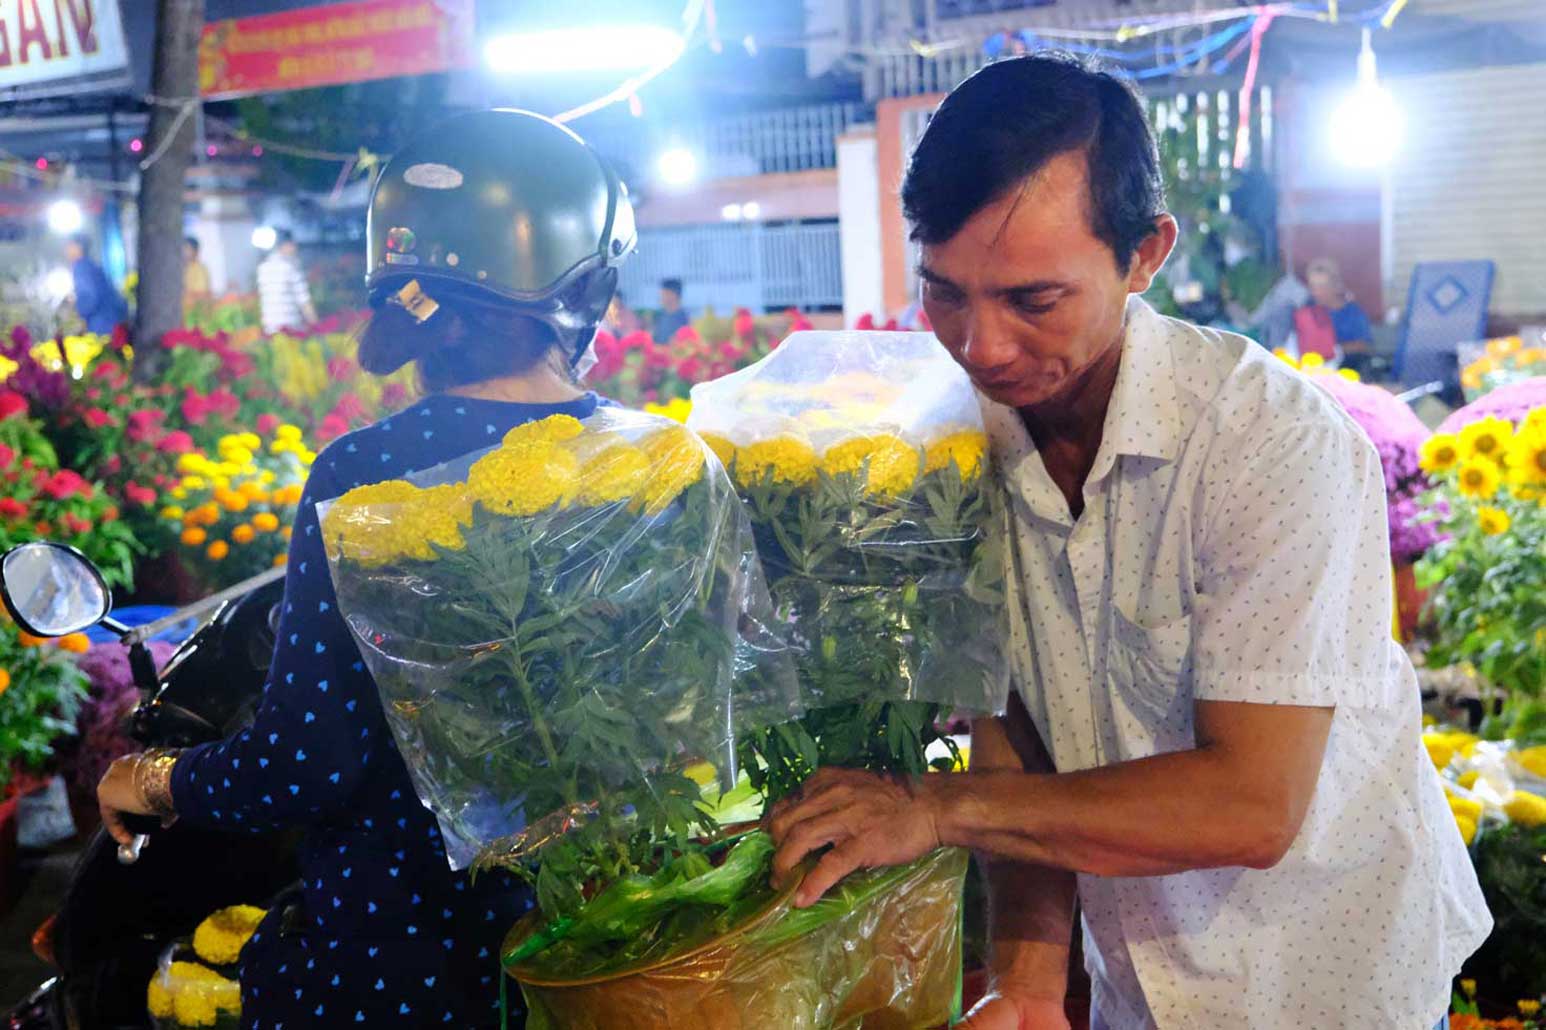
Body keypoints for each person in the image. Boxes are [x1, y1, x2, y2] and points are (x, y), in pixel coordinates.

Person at [767, 55, 1489, 1030]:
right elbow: (1019, 736)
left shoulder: (1266, 441)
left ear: (1145, 254)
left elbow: (1250, 804)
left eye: (1032, 300)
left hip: (1328, 982)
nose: (979, 346)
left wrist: (932, 808)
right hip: (1137, 989)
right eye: (945, 293)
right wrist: (1026, 982)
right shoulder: (957, 453)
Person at [96, 109, 637, 1027]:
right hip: (617, 948)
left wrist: (149, 779)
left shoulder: (365, 472)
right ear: (591, 286)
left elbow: (306, 762)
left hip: (411, 969)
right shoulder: (652, 466)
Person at [1295, 256, 1376, 370]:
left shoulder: (1353, 313)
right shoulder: (1309, 314)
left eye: (1322, 286)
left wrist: (1335, 350)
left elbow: (1365, 346)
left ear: (1335, 285)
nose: (1316, 292)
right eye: (1313, 287)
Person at [64, 234, 128, 336]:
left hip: (101, 324)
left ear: (79, 247)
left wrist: (77, 310)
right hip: (113, 321)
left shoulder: (81, 267)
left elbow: (88, 297)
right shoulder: (92, 266)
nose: (66, 250)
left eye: (69, 246)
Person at [256, 229, 318, 335]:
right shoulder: (291, 267)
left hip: (269, 329)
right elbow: (304, 301)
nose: (295, 247)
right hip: (291, 329)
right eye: (293, 244)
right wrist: (317, 327)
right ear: (285, 245)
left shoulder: (263, 268)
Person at [652, 277, 689, 342]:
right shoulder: (660, 316)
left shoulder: (684, 318)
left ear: (673, 295)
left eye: (664, 294)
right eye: (661, 294)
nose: (661, 297)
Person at [184, 236, 212, 309]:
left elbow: (201, 293)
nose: (184, 252)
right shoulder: (183, 268)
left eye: (187, 249)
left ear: (196, 251)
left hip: (195, 309)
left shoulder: (200, 269)